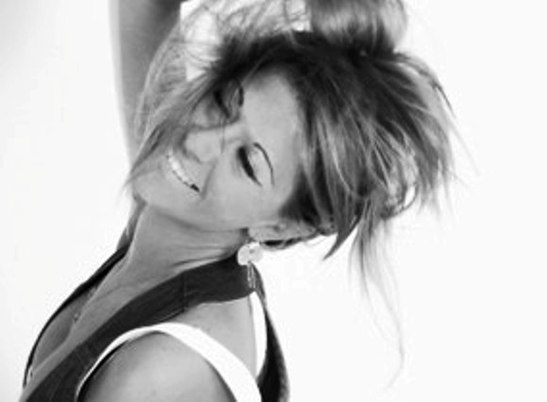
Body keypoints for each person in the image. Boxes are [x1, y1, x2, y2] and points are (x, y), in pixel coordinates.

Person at [20, 0, 454, 400]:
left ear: (281, 226)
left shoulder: (159, 371)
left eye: (247, 162)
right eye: (224, 102)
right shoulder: (171, 216)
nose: (199, 141)